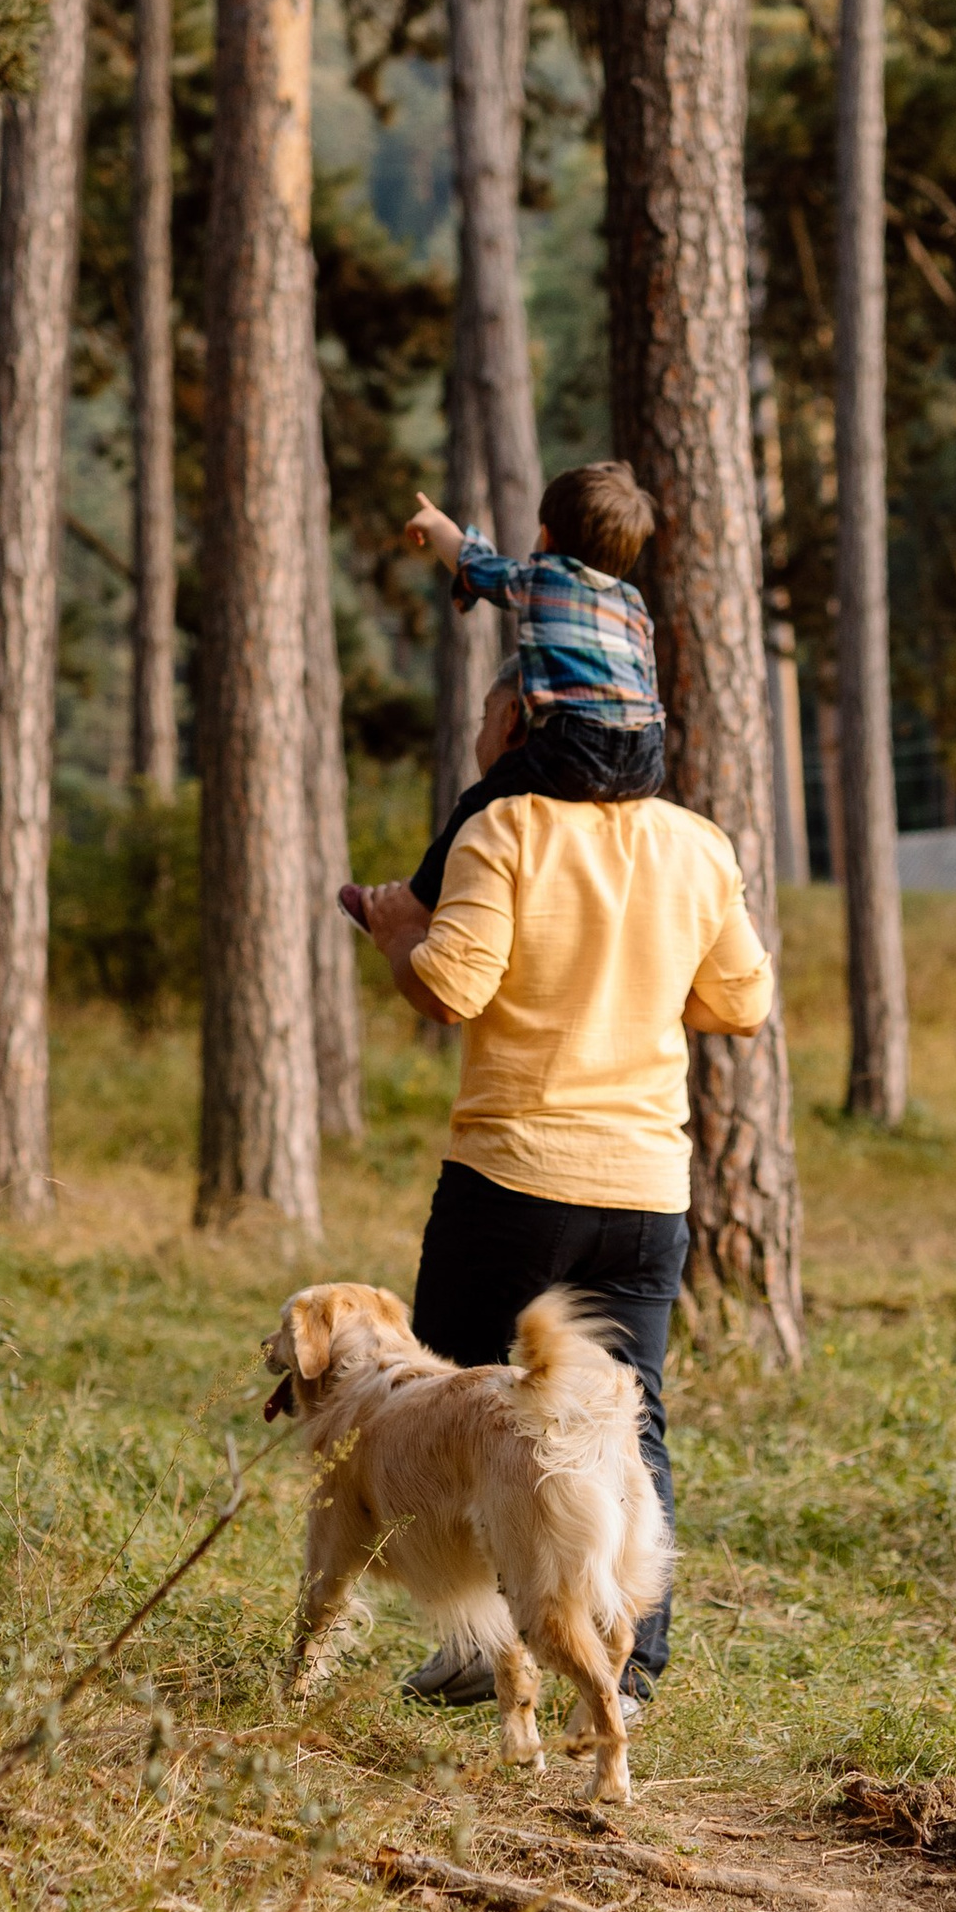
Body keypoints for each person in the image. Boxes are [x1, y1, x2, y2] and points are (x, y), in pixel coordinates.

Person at [347, 655, 773, 1710]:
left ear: (528, 726)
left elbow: (449, 989)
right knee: (629, 1424)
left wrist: (400, 931)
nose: (482, 737)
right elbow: (741, 1003)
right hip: (645, 1192)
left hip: (513, 1181)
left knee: (451, 1407)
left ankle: (471, 1655)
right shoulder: (694, 843)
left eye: (492, 715)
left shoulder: (505, 830)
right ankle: (626, 1674)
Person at [390, 460, 666, 915]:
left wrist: (438, 525)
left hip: (576, 746)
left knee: (479, 806)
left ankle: (415, 902)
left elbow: (477, 566)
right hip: (646, 758)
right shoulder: (634, 604)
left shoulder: (541, 581)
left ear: (548, 537)